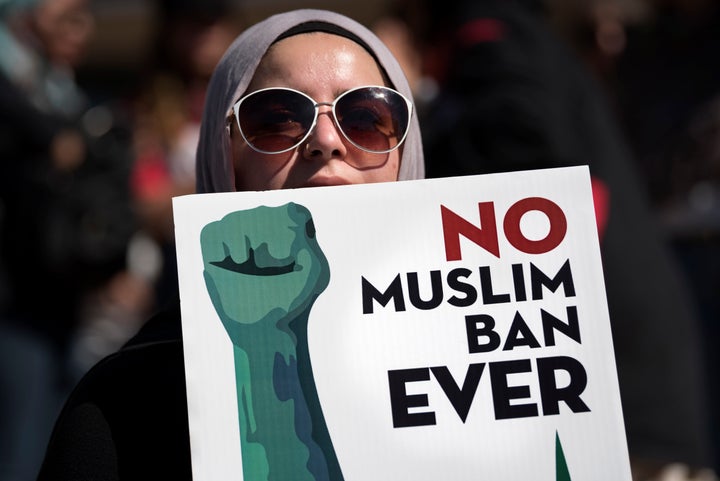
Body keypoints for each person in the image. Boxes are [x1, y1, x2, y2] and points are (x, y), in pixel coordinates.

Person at [35, 8, 423, 480]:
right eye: (277, 118)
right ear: (224, 158)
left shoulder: (509, 358)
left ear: (408, 150)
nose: (326, 141)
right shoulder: (125, 400)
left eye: (366, 116)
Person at [378, 0, 714, 478]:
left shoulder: (492, 30)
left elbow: (523, 164)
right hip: (608, 387)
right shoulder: (512, 38)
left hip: (607, 393)